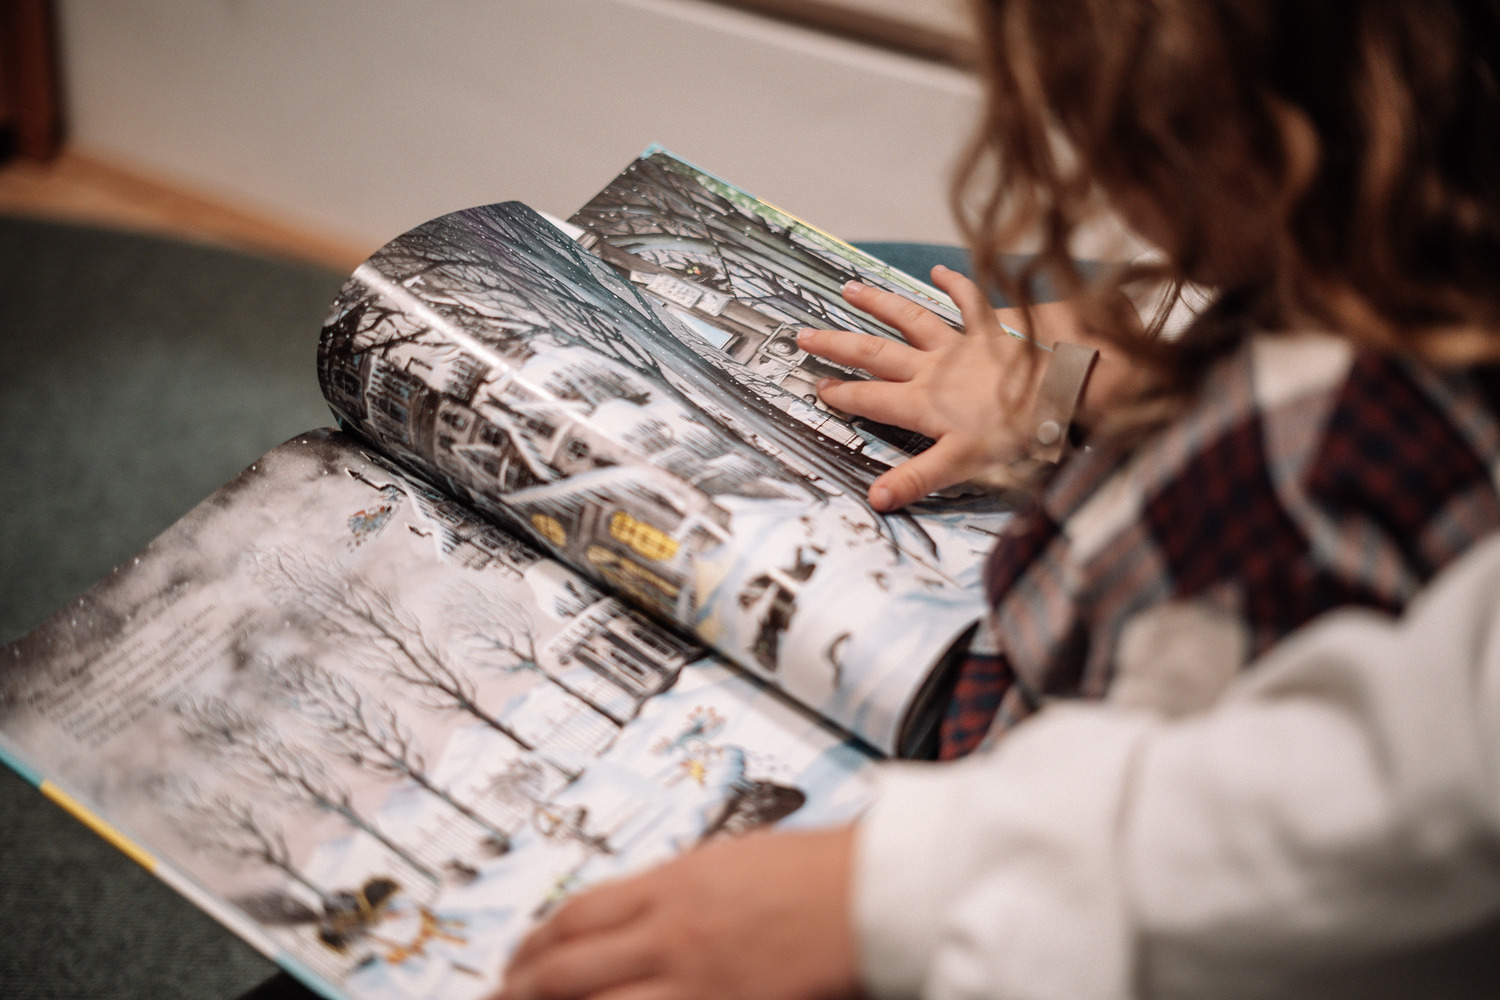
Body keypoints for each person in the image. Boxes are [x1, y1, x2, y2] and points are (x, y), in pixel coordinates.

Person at [497, 1, 1500, 996]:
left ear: (1230, 139)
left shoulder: (1288, 511)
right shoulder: (1406, 239)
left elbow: (1253, 834)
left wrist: (896, 892)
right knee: (895, 296)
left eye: (1091, 119)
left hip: (1016, 775)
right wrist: (1066, 381)